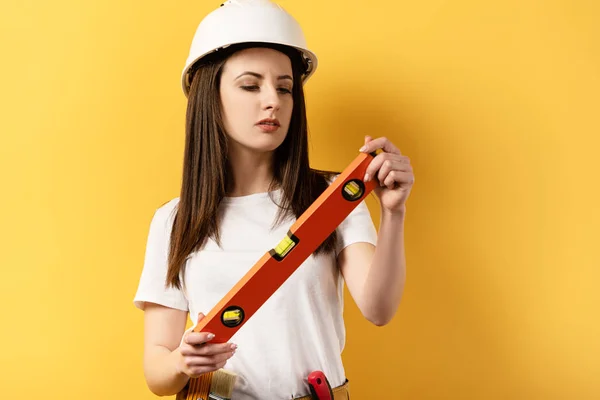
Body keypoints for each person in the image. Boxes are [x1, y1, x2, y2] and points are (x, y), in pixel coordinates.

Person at [133, 0, 415, 398]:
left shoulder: (332, 197)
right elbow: (156, 372)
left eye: (285, 87)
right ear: (208, 98)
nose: (274, 101)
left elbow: (379, 308)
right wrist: (181, 361)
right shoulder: (175, 221)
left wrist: (394, 213)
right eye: (251, 85)